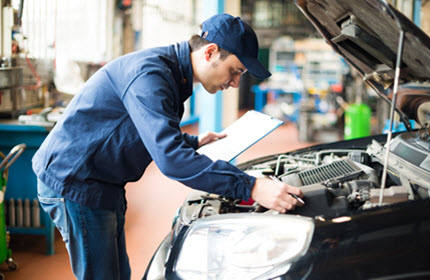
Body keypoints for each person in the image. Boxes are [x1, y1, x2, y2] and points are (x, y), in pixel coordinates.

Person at [32, 13, 304, 280]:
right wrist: (253, 187)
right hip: (75, 181)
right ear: (210, 52)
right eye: (235, 71)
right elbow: (171, 160)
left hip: (103, 181)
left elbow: (142, 129)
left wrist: (193, 142)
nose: (234, 83)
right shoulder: (151, 75)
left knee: (116, 273)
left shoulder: (174, 75)